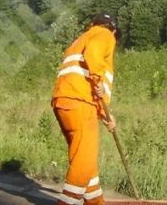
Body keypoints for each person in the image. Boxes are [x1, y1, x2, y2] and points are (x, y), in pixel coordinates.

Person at [51, 12, 119, 205]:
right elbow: (94, 56)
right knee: (85, 160)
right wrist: (98, 78)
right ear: (112, 30)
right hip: (80, 102)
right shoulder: (104, 34)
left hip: (64, 102)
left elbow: (83, 79)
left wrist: (106, 115)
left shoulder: (79, 41)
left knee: (83, 157)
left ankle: (96, 202)